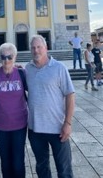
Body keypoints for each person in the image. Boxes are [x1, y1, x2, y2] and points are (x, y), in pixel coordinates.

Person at [26, 35, 75, 178]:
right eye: (33, 47)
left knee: (64, 170)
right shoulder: (27, 69)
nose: (36, 50)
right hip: (35, 129)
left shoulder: (59, 68)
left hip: (57, 128)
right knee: (42, 168)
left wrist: (68, 123)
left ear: (46, 48)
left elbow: (70, 95)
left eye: (39, 47)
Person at [0, 43, 28, 178]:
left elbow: (37, 90)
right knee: (5, 163)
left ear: (15, 57)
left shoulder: (22, 74)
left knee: (18, 163)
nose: (6, 60)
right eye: (3, 57)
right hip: (0, 126)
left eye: (10, 57)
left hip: (19, 125)